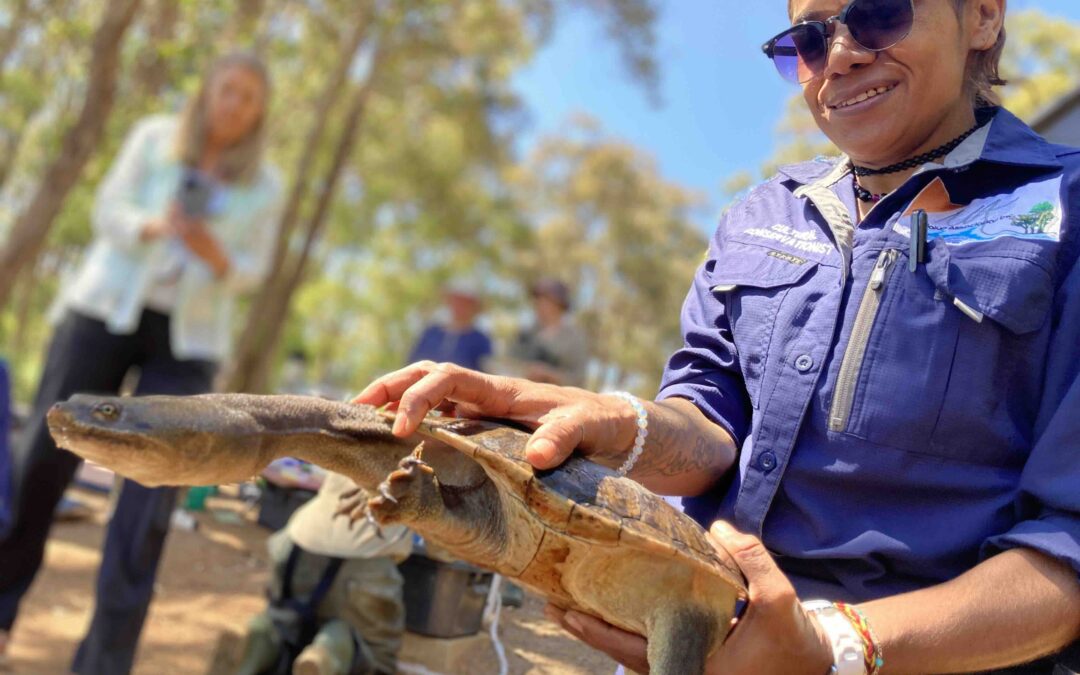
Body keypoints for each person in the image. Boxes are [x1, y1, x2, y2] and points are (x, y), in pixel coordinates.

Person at [353, 0, 1080, 672]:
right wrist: (614, 421)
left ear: (982, 17)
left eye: (879, 14)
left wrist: (835, 647)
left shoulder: (1064, 209)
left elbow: (1067, 552)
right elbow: (710, 421)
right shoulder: (763, 212)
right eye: (809, 38)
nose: (841, 56)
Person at [0, 52, 283, 674]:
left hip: (188, 343)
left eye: (248, 99)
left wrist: (217, 257)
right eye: (228, 90)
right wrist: (154, 227)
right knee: (38, 467)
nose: (234, 105)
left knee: (148, 504)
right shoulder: (155, 137)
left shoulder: (265, 185)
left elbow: (255, 271)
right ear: (209, 90)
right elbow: (107, 211)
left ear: (259, 115)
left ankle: (103, 664)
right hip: (103, 311)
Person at [235, 473, 411, 675]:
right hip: (366, 555)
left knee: (283, 620)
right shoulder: (424, 450)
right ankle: (328, 652)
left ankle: (259, 645)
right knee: (376, 655)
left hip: (295, 542)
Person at [503, 277, 589, 386]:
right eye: (538, 299)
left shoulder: (574, 338)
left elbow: (578, 378)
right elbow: (509, 364)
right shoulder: (525, 334)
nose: (540, 304)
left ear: (560, 304)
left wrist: (549, 374)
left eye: (546, 300)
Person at [406, 280, 492, 372]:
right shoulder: (431, 333)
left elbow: (485, 371)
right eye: (456, 300)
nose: (459, 305)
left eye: (465, 302)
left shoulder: (480, 340)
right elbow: (412, 363)